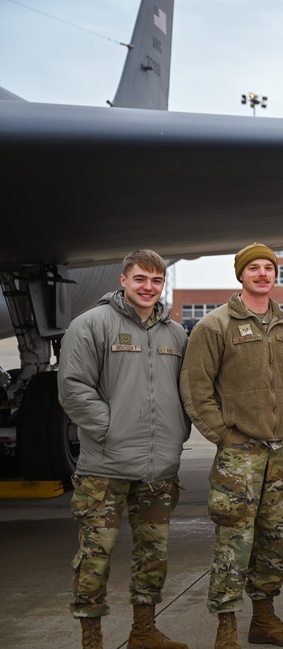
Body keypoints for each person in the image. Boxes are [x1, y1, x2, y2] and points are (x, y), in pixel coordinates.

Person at [58, 249, 190, 649]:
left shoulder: (176, 334)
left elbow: (186, 392)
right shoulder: (91, 325)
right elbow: (73, 388)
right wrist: (110, 429)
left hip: (159, 470)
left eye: (156, 280)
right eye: (140, 279)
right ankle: (91, 639)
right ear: (123, 280)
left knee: (153, 558)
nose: (148, 287)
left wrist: (178, 432)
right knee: (95, 560)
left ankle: (144, 631)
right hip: (105, 469)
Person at [180, 242, 283, 649]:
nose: (263, 274)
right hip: (240, 454)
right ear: (241, 275)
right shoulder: (215, 326)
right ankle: (227, 628)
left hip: (281, 454)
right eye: (254, 267)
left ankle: (265, 620)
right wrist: (223, 434)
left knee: (272, 538)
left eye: (269, 267)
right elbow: (196, 388)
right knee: (234, 540)